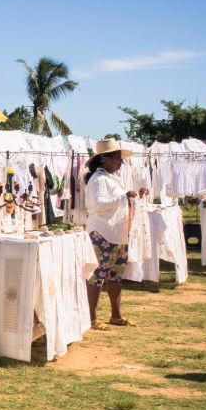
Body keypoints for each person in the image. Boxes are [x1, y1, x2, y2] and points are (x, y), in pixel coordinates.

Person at [83, 139, 148, 330]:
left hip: (117, 233)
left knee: (115, 276)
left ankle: (116, 315)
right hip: (102, 233)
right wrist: (123, 196)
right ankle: (92, 318)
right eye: (117, 159)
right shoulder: (98, 179)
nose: (121, 162)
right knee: (97, 276)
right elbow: (98, 205)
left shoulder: (113, 179)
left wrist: (137, 195)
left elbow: (120, 203)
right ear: (105, 159)